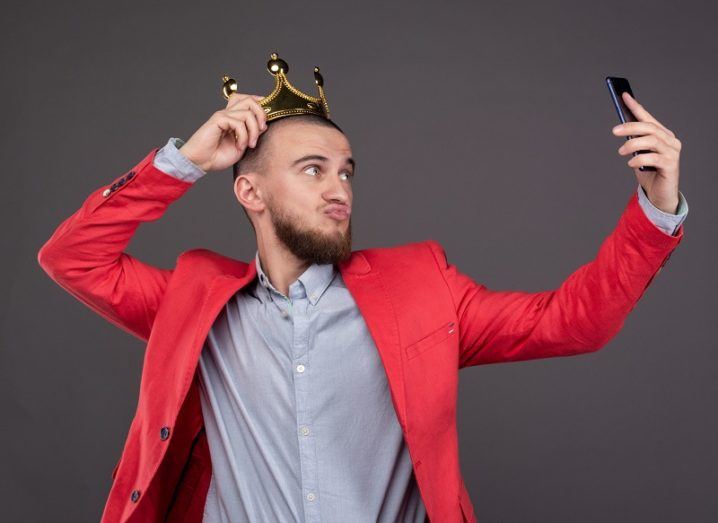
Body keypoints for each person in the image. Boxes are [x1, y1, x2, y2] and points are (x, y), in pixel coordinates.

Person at [37, 76, 687, 521]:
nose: (338, 188)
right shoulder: (193, 301)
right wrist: (182, 161)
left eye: (346, 170)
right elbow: (72, 257)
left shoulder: (422, 290)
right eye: (312, 168)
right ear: (251, 193)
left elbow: (577, 322)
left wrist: (655, 209)